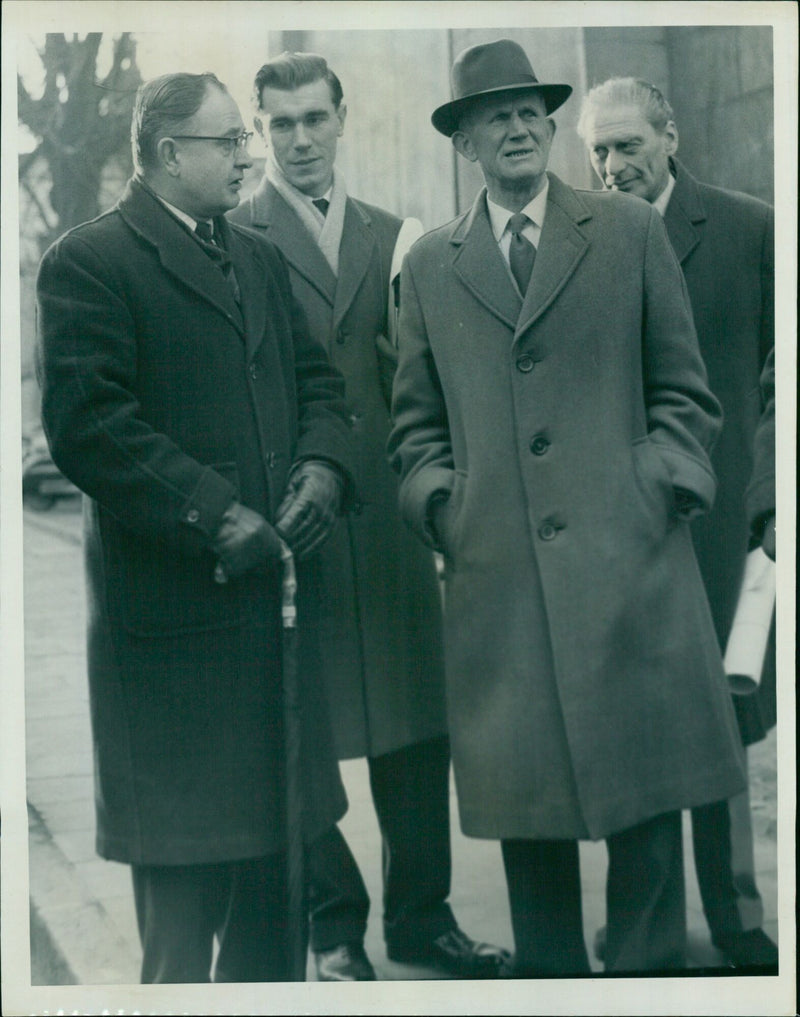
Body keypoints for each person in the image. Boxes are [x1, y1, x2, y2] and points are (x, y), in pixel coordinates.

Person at [387, 38, 748, 976]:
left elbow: (686, 390)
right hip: (500, 586)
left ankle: (646, 982)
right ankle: (552, 987)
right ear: (464, 141)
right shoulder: (431, 264)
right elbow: (415, 424)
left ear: (548, 126)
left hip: (634, 569)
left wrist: (659, 482)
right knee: (530, 821)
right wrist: (443, 506)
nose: (514, 128)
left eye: (527, 112)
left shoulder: (627, 230)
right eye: (491, 116)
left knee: (648, 807)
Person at [35, 71, 357, 984]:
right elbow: (90, 426)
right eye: (230, 141)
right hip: (170, 655)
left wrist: (325, 469)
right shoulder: (90, 261)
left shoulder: (251, 254)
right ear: (170, 154)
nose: (250, 154)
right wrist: (216, 512)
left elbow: (320, 382)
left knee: (273, 916)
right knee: (179, 943)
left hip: (270, 643)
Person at [230, 50, 508, 981]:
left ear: (342, 118)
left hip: (387, 525)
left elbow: (425, 381)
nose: (301, 138)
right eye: (282, 123)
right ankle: (333, 928)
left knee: (415, 728)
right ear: (260, 130)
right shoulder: (233, 236)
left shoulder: (400, 236)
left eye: (316, 118)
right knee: (300, 731)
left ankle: (421, 919)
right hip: (297, 517)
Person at [577, 77, 777, 971]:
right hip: (623, 524)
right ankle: (641, 925)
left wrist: (772, 499)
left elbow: (785, 375)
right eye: (598, 150)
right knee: (636, 724)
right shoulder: (580, 239)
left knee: (727, 715)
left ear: (672, 135)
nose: (613, 166)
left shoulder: (750, 229)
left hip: (728, 519)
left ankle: (737, 917)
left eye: (628, 145)